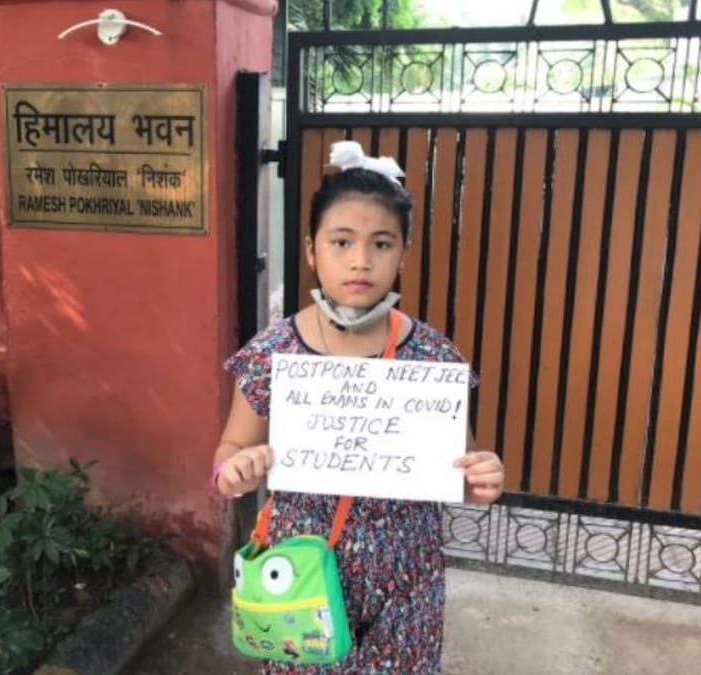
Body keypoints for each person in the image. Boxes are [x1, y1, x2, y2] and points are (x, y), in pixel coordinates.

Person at [211, 141, 505, 674]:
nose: (361, 261)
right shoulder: (275, 352)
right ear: (310, 250)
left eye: (382, 243)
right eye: (341, 241)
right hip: (300, 584)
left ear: (404, 252)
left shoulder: (432, 356)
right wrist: (235, 468)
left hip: (405, 590)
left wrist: (483, 476)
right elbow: (229, 454)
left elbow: (464, 472)